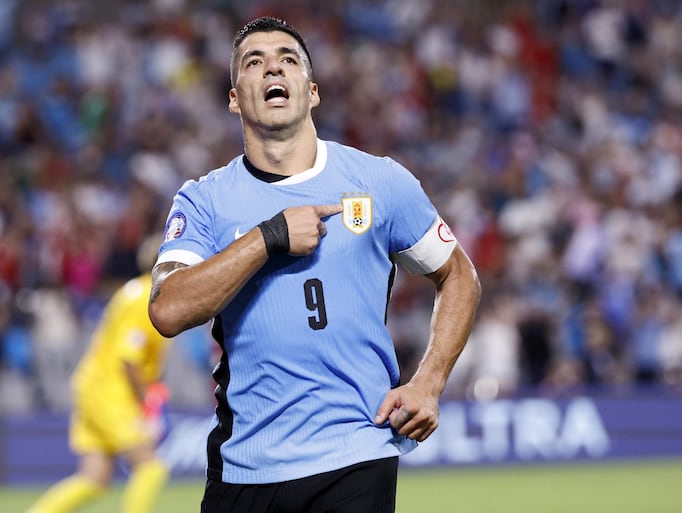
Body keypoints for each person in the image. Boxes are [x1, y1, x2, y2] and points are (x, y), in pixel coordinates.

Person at [148, 16, 481, 513]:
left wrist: (429, 381)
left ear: (312, 90)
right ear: (236, 97)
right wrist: (270, 236)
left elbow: (459, 275)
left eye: (288, 59)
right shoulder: (203, 201)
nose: (272, 68)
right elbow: (167, 310)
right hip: (245, 464)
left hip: (355, 453)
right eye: (253, 62)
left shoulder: (380, 182)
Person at [25, 236, 171, 513]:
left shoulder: (133, 291)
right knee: (151, 468)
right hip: (111, 390)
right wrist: (146, 402)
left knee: (93, 479)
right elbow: (129, 359)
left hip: (92, 384)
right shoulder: (147, 298)